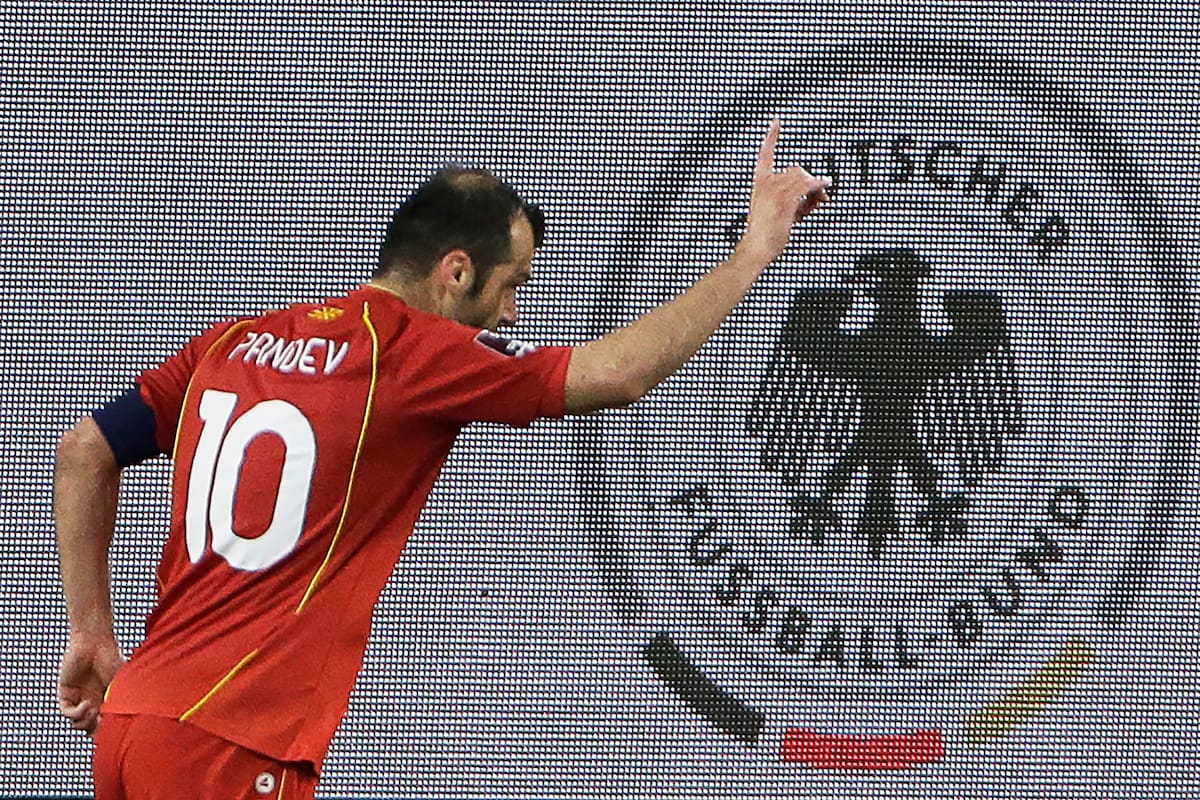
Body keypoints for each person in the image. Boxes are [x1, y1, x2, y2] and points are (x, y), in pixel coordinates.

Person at [54, 120, 829, 798]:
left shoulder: (231, 343)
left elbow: (85, 449)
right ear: (455, 271)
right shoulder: (413, 352)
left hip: (135, 722)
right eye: (512, 285)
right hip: (229, 742)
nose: (514, 312)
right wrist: (754, 251)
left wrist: (90, 631)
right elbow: (616, 373)